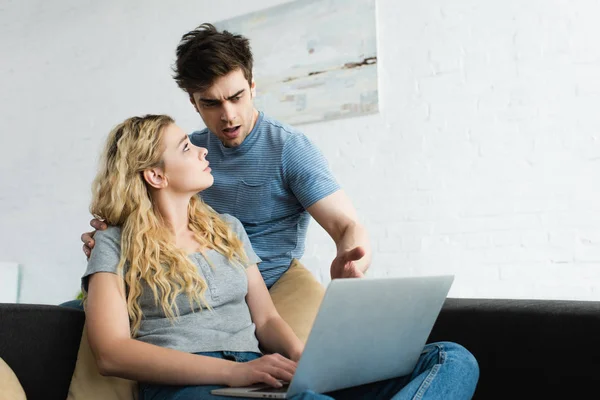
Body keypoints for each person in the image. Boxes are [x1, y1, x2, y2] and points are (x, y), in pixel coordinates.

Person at [83, 114, 479, 400]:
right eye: (186, 147)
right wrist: (237, 373)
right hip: (189, 386)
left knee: (451, 357)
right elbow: (112, 353)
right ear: (156, 175)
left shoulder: (228, 228)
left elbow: (267, 318)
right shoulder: (113, 243)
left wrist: (308, 362)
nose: (203, 150)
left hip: (260, 378)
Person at [77, 24, 369, 323]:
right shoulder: (188, 152)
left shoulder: (289, 149)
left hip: (272, 286)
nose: (228, 115)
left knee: (299, 362)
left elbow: (346, 226)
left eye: (237, 97)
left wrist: (351, 265)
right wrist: (106, 242)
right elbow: (141, 216)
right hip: (195, 286)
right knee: (69, 318)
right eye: (212, 103)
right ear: (194, 102)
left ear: (252, 87)